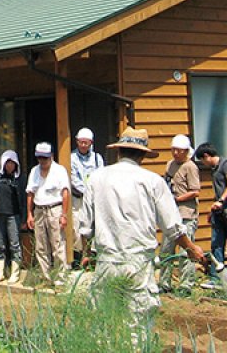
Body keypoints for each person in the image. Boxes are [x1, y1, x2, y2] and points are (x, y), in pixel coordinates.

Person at [80, 127, 205, 336]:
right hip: (139, 263)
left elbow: (85, 227)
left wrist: (87, 254)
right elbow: (172, 226)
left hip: (106, 262)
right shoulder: (152, 181)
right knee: (137, 324)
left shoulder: (96, 178)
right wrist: (191, 248)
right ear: (143, 156)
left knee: (104, 321)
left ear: (119, 152)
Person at [195, 142, 227, 285]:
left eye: (202, 160)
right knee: (216, 244)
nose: (203, 164)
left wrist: (221, 201)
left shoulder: (226, 164)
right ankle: (216, 279)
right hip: (219, 212)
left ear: (206, 156)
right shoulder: (214, 169)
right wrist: (214, 208)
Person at [158, 134, 201, 293]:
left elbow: (195, 191)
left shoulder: (190, 166)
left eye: (179, 150)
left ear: (185, 151)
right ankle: (164, 283)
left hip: (187, 213)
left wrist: (177, 199)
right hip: (171, 214)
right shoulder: (170, 165)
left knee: (185, 251)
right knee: (166, 250)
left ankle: (186, 285)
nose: (175, 153)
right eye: (173, 150)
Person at [25, 141, 71, 285]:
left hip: (55, 208)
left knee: (57, 245)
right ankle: (45, 278)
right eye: (39, 158)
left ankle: (60, 279)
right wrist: (29, 214)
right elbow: (30, 193)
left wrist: (64, 214)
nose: (42, 161)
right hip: (39, 209)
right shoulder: (34, 171)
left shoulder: (59, 170)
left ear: (51, 156)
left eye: (45, 158)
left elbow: (65, 193)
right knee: (40, 246)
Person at [0, 149, 26, 284]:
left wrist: (24, 218)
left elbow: (23, 200)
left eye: (12, 163)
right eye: (7, 163)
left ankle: (15, 273)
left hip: (13, 215)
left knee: (14, 244)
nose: (10, 166)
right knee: (0, 244)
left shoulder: (19, 179)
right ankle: (0, 272)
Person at [69, 127, 104, 268]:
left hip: (95, 199)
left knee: (95, 228)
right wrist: (87, 191)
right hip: (78, 198)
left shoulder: (97, 158)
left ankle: (94, 258)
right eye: (81, 142)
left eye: (86, 143)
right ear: (77, 142)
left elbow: (101, 176)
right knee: (77, 229)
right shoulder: (72, 158)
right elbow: (73, 179)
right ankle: (79, 258)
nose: (83, 145)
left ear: (91, 143)